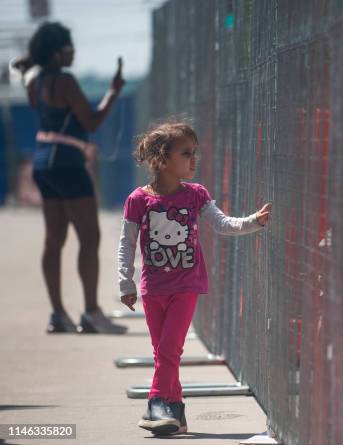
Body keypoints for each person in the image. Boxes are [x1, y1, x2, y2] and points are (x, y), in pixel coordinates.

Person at [117, 121, 272, 435]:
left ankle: (157, 403)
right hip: (152, 288)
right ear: (161, 160)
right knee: (163, 349)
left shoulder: (196, 195)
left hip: (186, 287)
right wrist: (126, 281)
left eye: (194, 153)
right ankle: (176, 411)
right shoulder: (138, 200)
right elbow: (127, 243)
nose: (193, 159)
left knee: (169, 350)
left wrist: (254, 221)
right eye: (186, 153)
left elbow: (222, 223)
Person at [14, 22, 127, 334]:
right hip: (68, 162)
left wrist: (31, 61)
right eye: (68, 47)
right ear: (55, 52)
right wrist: (113, 92)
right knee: (89, 238)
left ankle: (58, 314)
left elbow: (23, 67)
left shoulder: (34, 81)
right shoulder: (65, 81)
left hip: (43, 161)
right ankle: (91, 313)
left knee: (54, 240)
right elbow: (91, 122)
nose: (73, 51)